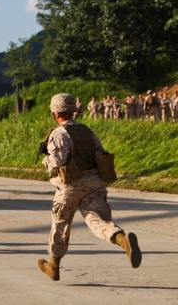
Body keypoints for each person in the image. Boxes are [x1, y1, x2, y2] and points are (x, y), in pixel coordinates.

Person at [37, 93, 142, 281]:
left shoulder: (59, 133)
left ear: (55, 113)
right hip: (95, 182)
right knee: (97, 220)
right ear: (73, 110)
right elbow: (100, 152)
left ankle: (53, 266)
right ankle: (122, 239)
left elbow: (56, 162)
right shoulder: (87, 131)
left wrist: (44, 159)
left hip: (70, 186)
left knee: (61, 223)